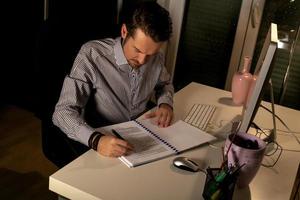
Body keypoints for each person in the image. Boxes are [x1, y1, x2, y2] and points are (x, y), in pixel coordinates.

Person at [52, 2, 174, 158]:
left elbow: (164, 84)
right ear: (124, 31)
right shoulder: (92, 55)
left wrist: (165, 103)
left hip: (140, 135)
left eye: (150, 54)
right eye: (137, 50)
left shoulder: (157, 57)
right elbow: (62, 113)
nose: (143, 60)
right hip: (102, 141)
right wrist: (96, 140)